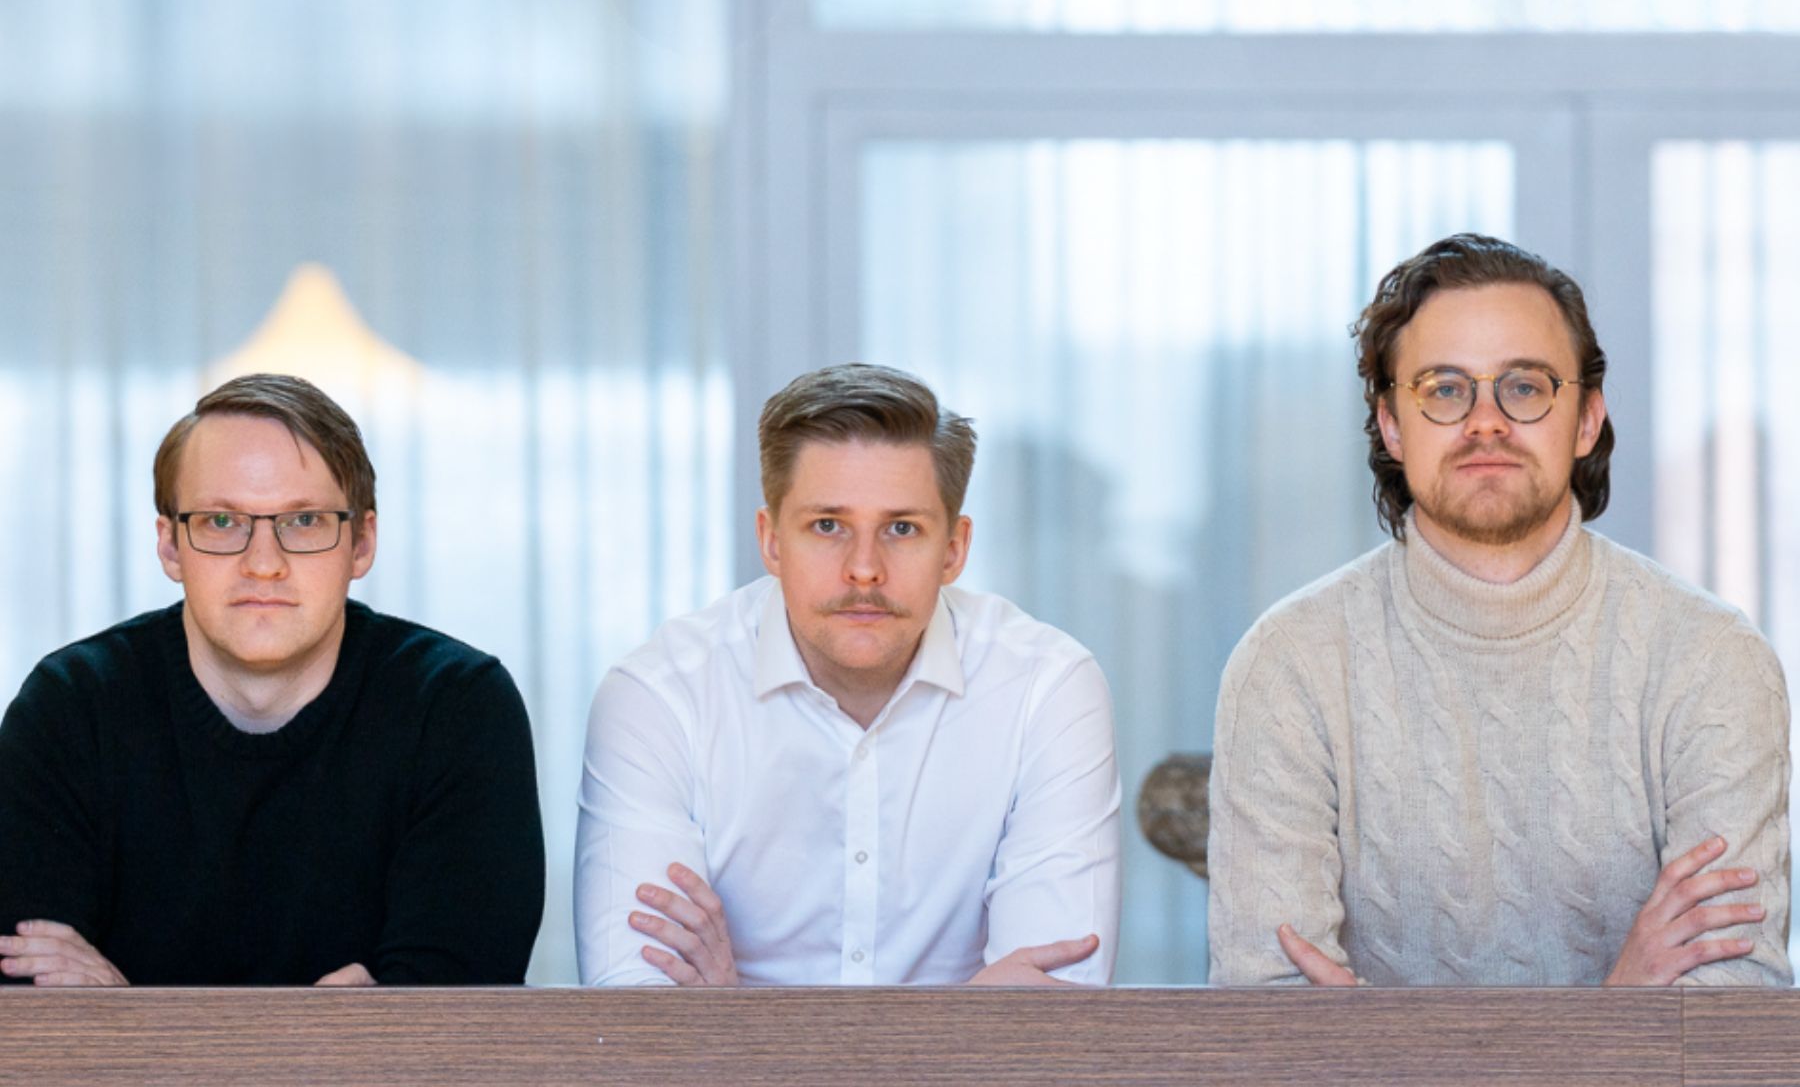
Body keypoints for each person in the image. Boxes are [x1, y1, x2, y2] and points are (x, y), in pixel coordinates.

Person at [1208, 233, 1790, 986]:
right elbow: (1270, 1028)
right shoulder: (1287, 666)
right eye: (1445, 389)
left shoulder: (1711, 658)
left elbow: (1727, 1015)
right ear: (1391, 423)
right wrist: (1618, 1009)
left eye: (1524, 386)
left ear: (1585, 420)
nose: (1486, 422)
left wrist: (1386, 1053)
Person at [575, 363, 1121, 986]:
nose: (865, 569)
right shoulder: (660, 696)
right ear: (772, 540)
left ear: (954, 549)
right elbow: (638, 1026)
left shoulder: (1045, 689)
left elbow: (1051, 1019)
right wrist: (961, 1027)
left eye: (902, 528)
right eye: (828, 526)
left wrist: (734, 1025)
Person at [0, 374, 545, 986]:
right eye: (222, 522)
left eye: (305, 520)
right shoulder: (71, 708)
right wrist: (321, 1039)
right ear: (171, 545)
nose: (264, 563)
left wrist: (128, 1015)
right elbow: (28, 1009)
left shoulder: (456, 706)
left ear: (361, 543)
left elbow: (455, 1024)